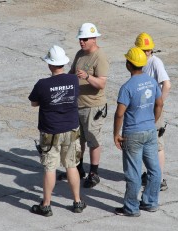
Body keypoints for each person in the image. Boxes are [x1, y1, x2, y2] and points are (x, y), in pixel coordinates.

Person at [28, 45, 86, 217]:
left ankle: (46, 205)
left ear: (49, 64)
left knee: (50, 168)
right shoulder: (74, 80)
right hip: (71, 129)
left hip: (50, 131)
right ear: (63, 63)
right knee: (72, 166)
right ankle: (77, 201)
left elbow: (34, 103)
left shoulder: (42, 84)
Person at [113, 47, 163, 217]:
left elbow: (120, 113)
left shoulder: (127, 87)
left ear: (129, 64)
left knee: (133, 173)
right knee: (154, 169)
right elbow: (160, 104)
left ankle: (131, 208)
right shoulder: (151, 81)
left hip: (132, 134)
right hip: (150, 130)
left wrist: (116, 134)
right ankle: (150, 203)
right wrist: (152, 121)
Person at [60, 22, 109, 188]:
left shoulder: (100, 57)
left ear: (94, 39)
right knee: (77, 139)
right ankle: (79, 169)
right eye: (80, 38)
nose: (81, 41)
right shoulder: (80, 53)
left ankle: (94, 173)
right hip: (77, 105)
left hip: (93, 107)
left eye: (85, 39)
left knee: (93, 140)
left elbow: (101, 84)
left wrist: (87, 76)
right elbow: (72, 72)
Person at [134, 32, 171, 191]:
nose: (146, 53)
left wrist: (159, 104)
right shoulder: (141, 62)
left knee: (157, 145)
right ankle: (151, 173)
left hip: (154, 110)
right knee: (148, 144)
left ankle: (160, 179)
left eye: (148, 50)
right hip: (145, 110)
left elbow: (167, 85)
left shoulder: (156, 62)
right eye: (143, 50)